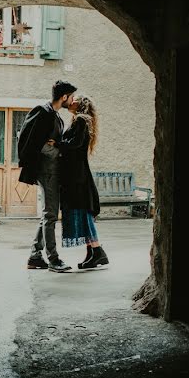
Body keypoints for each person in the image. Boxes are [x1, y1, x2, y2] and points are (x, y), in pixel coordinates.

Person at [18, 80, 77, 272]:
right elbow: (36, 144)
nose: (73, 100)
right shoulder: (43, 113)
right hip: (48, 171)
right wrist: (59, 153)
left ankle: (35, 256)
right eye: (72, 96)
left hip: (53, 170)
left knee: (48, 214)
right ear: (64, 97)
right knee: (50, 215)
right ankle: (53, 259)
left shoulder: (54, 115)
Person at [50, 95, 110, 269]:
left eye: (74, 99)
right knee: (83, 213)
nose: (71, 101)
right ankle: (92, 253)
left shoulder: (82, 121)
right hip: (76, 175)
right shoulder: (80, 120)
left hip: (78, 177)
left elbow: (75, 144)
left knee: (84, 213)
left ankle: (97, 251)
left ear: (80, 103)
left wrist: (57, 144)